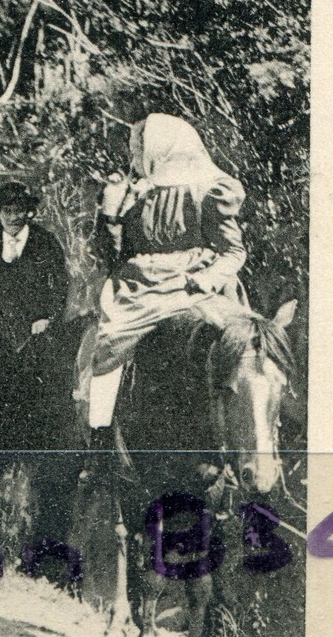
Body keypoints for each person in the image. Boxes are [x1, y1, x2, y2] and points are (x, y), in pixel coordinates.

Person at [79, 113, 250, 433]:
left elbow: (233, 251)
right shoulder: (134, 195)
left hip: (196, 283)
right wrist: (110, 218)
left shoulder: (207, 191)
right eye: (134, 153)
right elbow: (114, 258)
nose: (134, 160)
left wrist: (209, 278)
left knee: (242, 345)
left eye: (139, 152)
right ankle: (100, 432)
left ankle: (246, 436)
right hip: (141, 286)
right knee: (110, 340)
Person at [0, 178, 70, 446]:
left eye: (19, 210)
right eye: (6, 211)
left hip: (36, 328)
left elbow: (61, 285)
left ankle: (51, 444)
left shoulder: (45, 242)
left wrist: (48, 318)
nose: (12, 217)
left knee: (51, 378)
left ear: (28, 211)